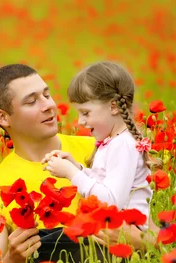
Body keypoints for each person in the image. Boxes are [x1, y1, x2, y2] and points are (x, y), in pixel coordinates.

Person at [0, 64, 157, 263]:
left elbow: (158, 238)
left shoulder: (101, 147)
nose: (48, 105)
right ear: (3, 118)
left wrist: (137, 240)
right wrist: (12, 260)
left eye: (46, 94)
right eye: (32, 101)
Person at [41, 61, 158, 230]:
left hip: (122, 236)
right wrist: (78, 168)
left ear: (114, 106)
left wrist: (71, 173)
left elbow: (111, 202)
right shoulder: (115, 141)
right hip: (111, 231)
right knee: (44, 238)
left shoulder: (122, 145)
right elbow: (105, 184)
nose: (80, 121)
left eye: (86, 113)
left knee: (45, 243)